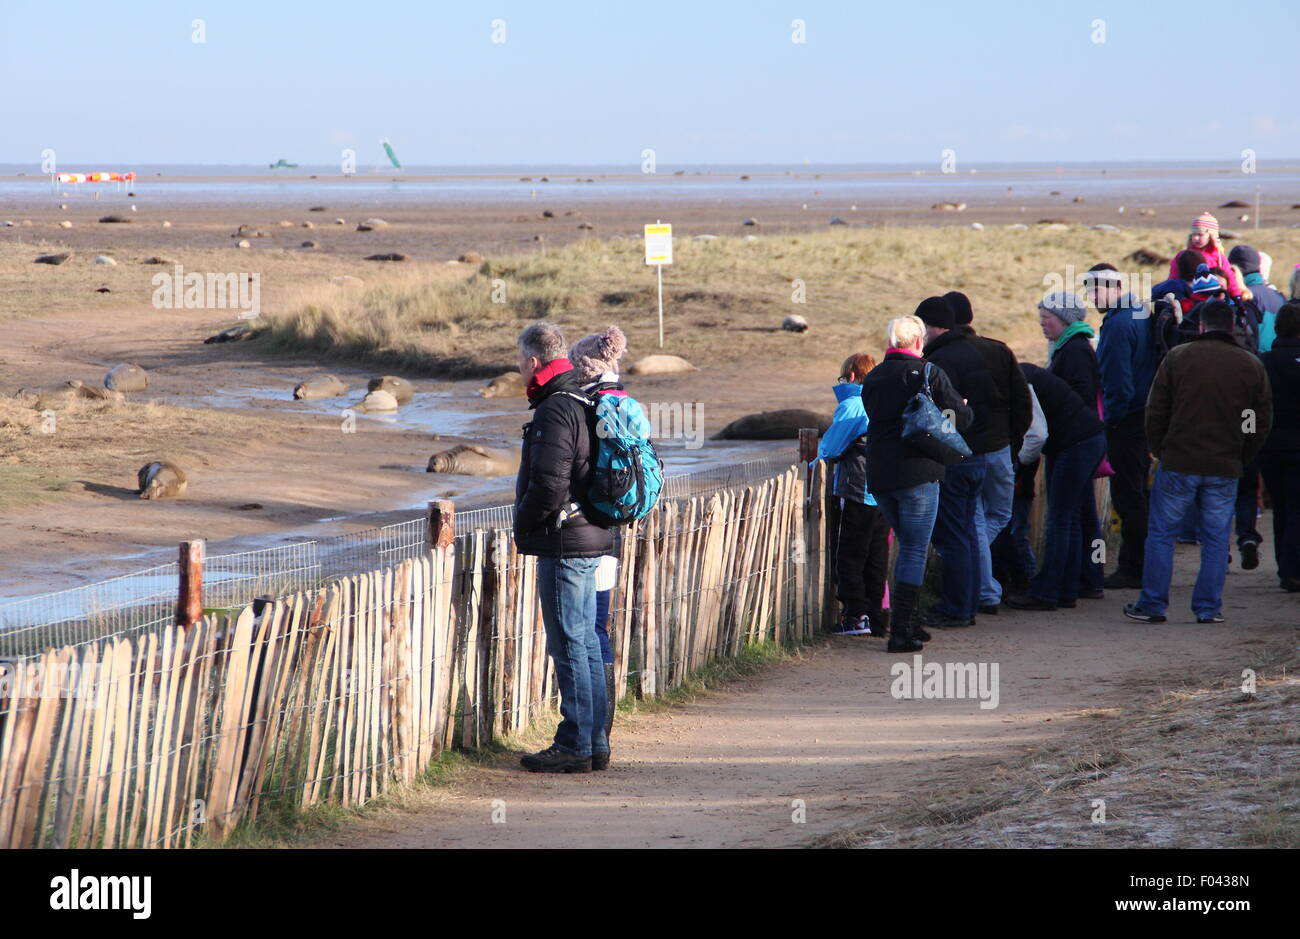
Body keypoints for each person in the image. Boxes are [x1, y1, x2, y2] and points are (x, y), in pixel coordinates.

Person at [1124, 301, 1273, 624]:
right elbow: (1258, 422)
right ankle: (1207, 608)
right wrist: (1242, 455)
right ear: (1232, 327)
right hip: (1225, 465)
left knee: (1162, 534)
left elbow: (1156, 410)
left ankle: (1152, 604)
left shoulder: (1178, 358)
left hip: (1179, 460)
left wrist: (1159, 449)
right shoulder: (1251, 365)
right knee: (1216, 538)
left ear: (1202, 326)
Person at [513, 322, 613, 773]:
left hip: (565, 541)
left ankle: (575, 742)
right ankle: (594, 741)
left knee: (570, 643)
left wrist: (523, 526)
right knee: (587, 640)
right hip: (591, 534)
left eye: (519, 360)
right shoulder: (584, 397)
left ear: (533, 361)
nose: (517, 368)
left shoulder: (556, 408)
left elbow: (549, 485)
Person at [860, 314, 972, 652]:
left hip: (880, 474)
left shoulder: (874, 377)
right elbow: (959, 418)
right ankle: (901, 633)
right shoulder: (927, 372)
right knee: (913, 547)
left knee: (904, 545)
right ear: (919, 341)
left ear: (891, 342)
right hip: (918, 471)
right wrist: (965, 408)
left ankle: (909, 623)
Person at [1005, 292, 1106, 611]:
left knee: (1061, 518)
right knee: (1074, 516)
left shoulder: (1074, 351)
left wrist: (1021, 463)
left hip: (1073, 441)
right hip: (1080, 439)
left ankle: (1049, 591)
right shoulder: (1069, 348)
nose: (1042, 325)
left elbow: (1080, 397)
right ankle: (1071, 585)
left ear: (1064, 319)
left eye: (1047, 319)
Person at [943, 291, 1033, 615]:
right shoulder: (999, 350)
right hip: (1000, 448)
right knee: (997, 515)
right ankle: (986, 589)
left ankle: (984, 590)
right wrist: (1015, 441)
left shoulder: (943, 357)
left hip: (968, 451)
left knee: (977, 522)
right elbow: (1023, 402)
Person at [915, 296, 997, 629]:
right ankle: (968, 601)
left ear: (934, 327)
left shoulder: (942, 361)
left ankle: (956, 607)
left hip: (956, 459)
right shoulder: (973, 352)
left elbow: (937, 416)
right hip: (978, 455)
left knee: (951, 537)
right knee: (966, 533)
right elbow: (988, 404)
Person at [568, 324, 630, 746]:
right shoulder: (625, 402)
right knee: (600, 627)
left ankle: (595, 733)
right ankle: (602, 731)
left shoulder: (592, 407)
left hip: (592, 529)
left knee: (587, 629)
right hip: (618, 529)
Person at [1085, 264, 1159, 590]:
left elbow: (1118, 383)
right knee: (1139, 492)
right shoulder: (1139, 313)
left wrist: (1108, 422)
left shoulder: (1117, 325)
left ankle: (1134, 568)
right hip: (1143, 415)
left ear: (1113, 288)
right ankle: (1143, 564)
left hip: (1126, 420)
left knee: (1128, 496)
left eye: (1096, 289)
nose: (1091, 296)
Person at [818, 352, 890, 637]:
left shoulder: (852, 404)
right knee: (876, 557)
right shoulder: (883, 400)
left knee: (849, 555)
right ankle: (875, 616)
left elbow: (831, 448)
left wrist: (815, 461)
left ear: (850, 376)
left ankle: (855, 616)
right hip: (883, 490)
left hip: (857, 489)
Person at [1258, 302, 1300, 592]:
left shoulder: (1264, 362)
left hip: (1271, 446)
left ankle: (1285, 568)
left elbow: (1253, 408)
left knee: (1282, 507)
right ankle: (1292, 569)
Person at [1168, 212, 1242, 298]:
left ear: (1211, 236)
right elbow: (1173, 276)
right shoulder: (1184, 255)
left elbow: (1229, 277)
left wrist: (1237, 296)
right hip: (1187, 296)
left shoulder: (1218, 256)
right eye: (1194, 234)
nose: (1195, 238)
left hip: (1213, 297)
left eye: (1200, 235)